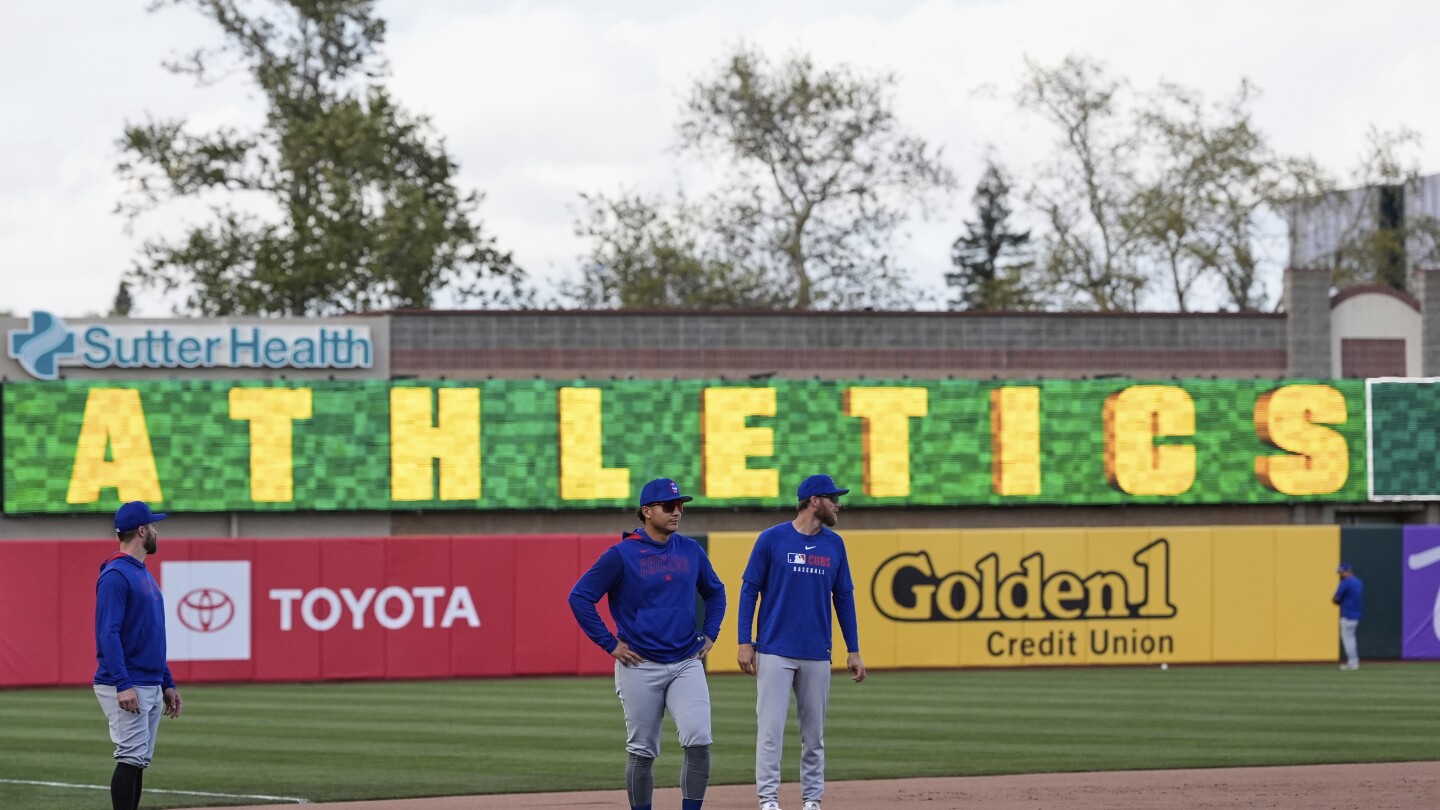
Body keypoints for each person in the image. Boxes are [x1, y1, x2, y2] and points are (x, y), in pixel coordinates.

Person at [569, 478, 727, 810]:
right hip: (639, 664)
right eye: (669, 506)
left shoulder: (690, 550)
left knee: (699, 740)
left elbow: (715, 592)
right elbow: (580, 597)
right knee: (642, 751)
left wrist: (711, 632)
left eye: (680, 505)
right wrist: (610, 644)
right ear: (647, 511)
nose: (677, 512)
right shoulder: (621, 555)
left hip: (686, 660)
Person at [738, 474, 866, 810]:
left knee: (814, 736)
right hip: (774, 649)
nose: (838, 504)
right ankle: (768, 800)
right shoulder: (772, 539)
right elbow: (749, 589)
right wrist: (744, 641)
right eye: (833, 498)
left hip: (817, 651)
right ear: (814, 501)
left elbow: (844, 598)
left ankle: (812, 800)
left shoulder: (835, 544)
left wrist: (853, 649)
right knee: (770, 731)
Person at [94, 501, 184, 810]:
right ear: (142, 531)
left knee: (139, 760)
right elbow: (108, 634)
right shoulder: (116, 575)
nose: (157, 531)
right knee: (130, 757)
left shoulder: (141, 573)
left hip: (148, 680)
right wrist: (123, 684)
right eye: (154, 526)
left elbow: (152, 635)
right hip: (127, 681)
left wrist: (166, 682)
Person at [1334, 561, 1364, 671]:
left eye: (1342, 572)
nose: (1341, 574)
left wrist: (1339, 601)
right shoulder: (1358, 582)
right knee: (1351, 638)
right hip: (1357, 614)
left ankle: (1353, 663)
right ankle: (1353, 662)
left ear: (1347, 571)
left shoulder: (1345, 583)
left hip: (1347, 614)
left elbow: (1336, 598)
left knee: (1348, 640)